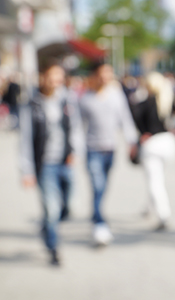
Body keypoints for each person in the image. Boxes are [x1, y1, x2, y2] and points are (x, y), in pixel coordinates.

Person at [19, 62, 81, 265]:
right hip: (45, 164)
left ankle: (47, 225)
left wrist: (75, 151)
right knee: (52, 208)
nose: (56, 80)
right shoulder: (32, 104)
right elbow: (25, 139)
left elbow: (75, 127)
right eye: (52, 75)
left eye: (59, 76)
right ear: (43, 77)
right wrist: (26, 170)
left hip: (65, 161)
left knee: (66, 205)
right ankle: (53, 247)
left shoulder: (67, 99)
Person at [79, 63, 138, 246]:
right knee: (97, 185)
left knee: (103, 186)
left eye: (109, 72)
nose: (106, 76)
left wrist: (131, 140)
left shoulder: (116, 96)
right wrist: (75, 148)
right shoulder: (85, 98)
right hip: (92, 149)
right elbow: (77, 126)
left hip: (110, 149)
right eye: (102, 73)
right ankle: (99, 224)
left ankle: (96, 213)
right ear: (95, 75)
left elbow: (125, 119)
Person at [129, 72, 175, 230]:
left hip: (153, 144)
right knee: (158, 178)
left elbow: (134, 115)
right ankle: (149, 207)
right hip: (168, 143)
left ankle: (164, 215)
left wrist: (143, 133)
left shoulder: (147, 102)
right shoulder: (168, 100)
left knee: (155, 181)